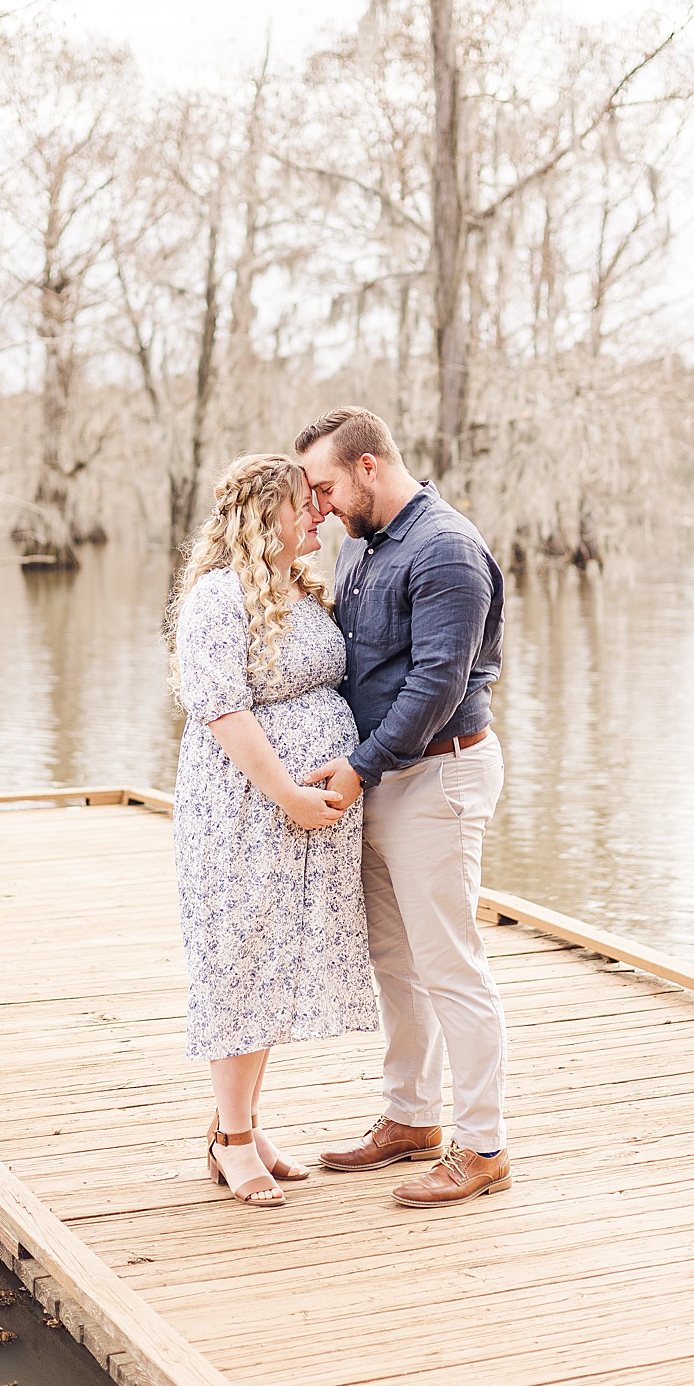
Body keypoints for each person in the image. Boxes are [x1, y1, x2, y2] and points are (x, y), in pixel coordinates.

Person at [295, 407, 510, 1207]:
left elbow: (437, 684)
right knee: (395, 958)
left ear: (368, 468)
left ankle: (483, 1145)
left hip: (438, 775)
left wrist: (356, 768)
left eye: (324, 486)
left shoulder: (447, 548)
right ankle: (411, 1116)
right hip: (384, 779)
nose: (318, 505)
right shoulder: (364, 544)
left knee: (450, 962)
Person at [169, 453, 377, 1208]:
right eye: (304, 503)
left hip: (298, 820)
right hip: (241, 812)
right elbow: (222, 708)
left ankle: (245, 1126)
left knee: (275, 967)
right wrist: (287, 791)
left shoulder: (302, 589)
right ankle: (229, 1141)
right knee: (239, 965)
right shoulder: (218, 599)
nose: (319, 512)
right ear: (267, 516)